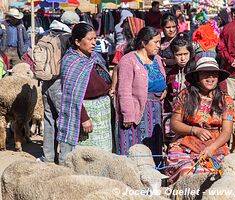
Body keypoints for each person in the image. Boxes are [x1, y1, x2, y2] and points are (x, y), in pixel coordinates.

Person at [165, 57, 234, 184]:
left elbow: (227, 132)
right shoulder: (184, 96)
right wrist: (194, 130)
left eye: (214, 74)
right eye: (205, 74)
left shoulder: (226, 100)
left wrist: (212, 148)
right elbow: (174, 124)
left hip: (216, 144)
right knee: (187, 172)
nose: (210, 78)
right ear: (197, 77)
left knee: (220, 175)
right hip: (186, 142)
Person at [57, 22, 112, 164]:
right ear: (77, 41)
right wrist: (84, 117)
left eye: (95, 39)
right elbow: (71, 96)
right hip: (87, 114)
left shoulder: (94, 57)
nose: (94, 43)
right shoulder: (72, 62)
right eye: (90, 39)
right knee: (87, 157)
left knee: (103, 154)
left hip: (102, 113)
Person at [116, 26, 166, 164]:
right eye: (155, 42)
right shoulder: (128, 61)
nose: (159, 46)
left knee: (153, 145)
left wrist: (164, 89)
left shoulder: (157, 59)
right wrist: (127, 114)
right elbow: (124, 90)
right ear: (144, 43)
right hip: (137, 112)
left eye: (159, 42)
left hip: (155, 112)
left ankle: (154, 176)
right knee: (135, 147)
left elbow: (161, 79)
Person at [39, 11, 80, 163]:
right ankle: (64, 158)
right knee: (64, 120)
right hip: (60, 82)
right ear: (73, 24)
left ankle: (48, 157)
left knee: (49, 119)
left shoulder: (46, 34)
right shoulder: (68, 38)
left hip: (45, 82)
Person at [164, 32, 194, 113]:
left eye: (185, 54)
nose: (183, 58)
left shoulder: (195, 70)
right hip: (176, 112)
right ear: (173, 55)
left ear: (190, 53)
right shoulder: (171, 74)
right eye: (179, 55)